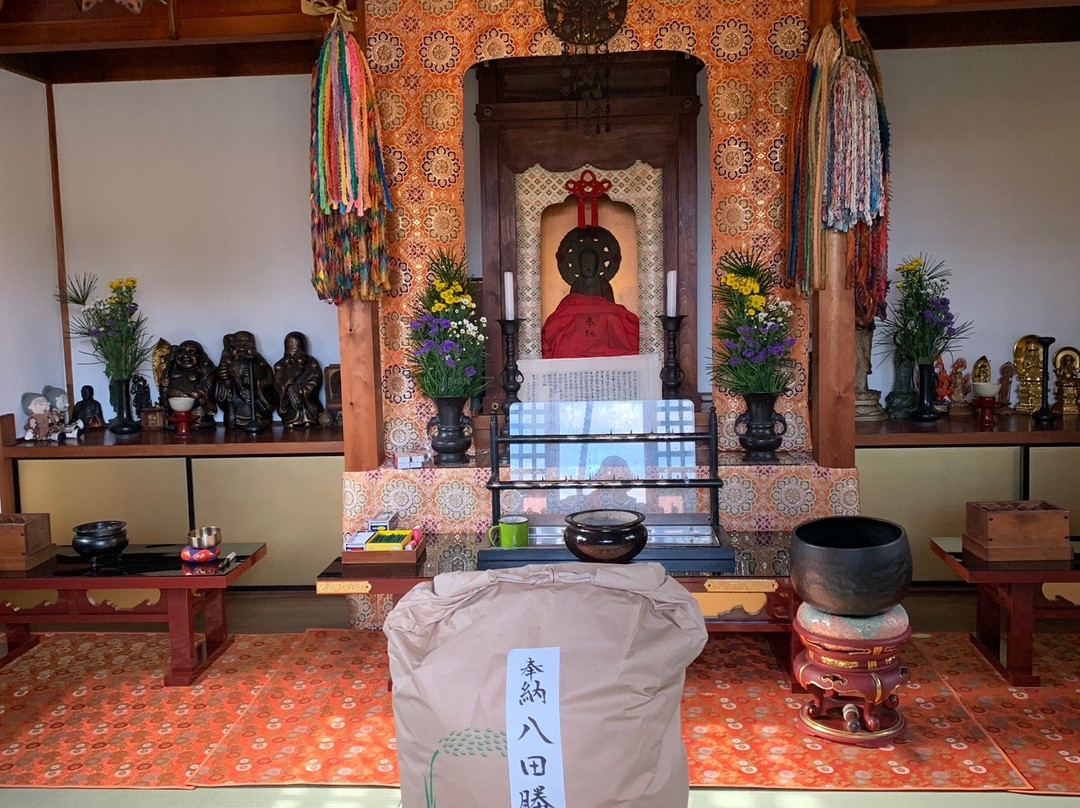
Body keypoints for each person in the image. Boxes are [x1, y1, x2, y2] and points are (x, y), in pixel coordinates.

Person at [541, 225, 639, 359]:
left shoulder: (603, 283)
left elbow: (610, 306)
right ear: (579, 265)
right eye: (584, 263)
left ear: (597, 264)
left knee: (613, 320)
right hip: (579, 326)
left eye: (591, 263)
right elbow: (571, 306)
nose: (588, 266)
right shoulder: (577, 283)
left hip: (603, 325)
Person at [215, 330, 278, 430]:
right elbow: (223, 393)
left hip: (257, 409)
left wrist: (258, 384)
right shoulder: (229, 364)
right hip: (237, 408)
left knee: (262, 419)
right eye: (238, 347)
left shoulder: (259, 363)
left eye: (247, 346)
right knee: (231, 420)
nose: (242, 350)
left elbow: (268, 380)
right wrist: (224, 380)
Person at [273, 331, 325, 428]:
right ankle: (291, 419)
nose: (292, 358)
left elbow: (315, 381)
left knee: (308, 419)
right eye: (289, 354)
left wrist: (302, 391)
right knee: (289, 421)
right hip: (289, 405)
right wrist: (285, 387)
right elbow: (277, 384)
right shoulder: (280, 366)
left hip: (305, 402)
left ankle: (307, 420)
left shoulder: (312, 364)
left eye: (296, 354)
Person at [162, 339, 218, 428]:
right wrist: (164, 382)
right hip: (175, 408)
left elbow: (208, 383)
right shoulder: (173, 368)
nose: (185, 355)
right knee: (175, 423)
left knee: (197, 423)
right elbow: (165, 383)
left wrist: (200, 391)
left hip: (196, 406)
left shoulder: (205, 369)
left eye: (191, 351)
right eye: (181, 351)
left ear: (200, 355)